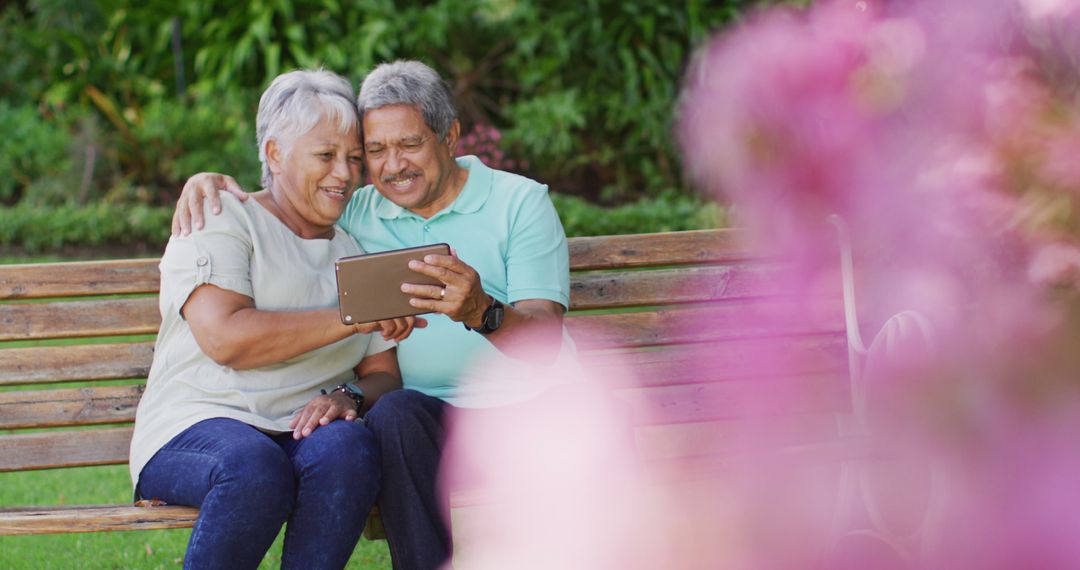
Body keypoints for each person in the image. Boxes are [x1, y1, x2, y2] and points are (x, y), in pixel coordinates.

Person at [173, 60, 576, 570]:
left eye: (409, 144)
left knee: (394, 422)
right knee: (396, 414)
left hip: (528, 411)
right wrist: (203, 182)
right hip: (426, 422)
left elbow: (544, 346)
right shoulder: (356, 212)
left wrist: (483, 311)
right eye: (376, 152)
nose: (393, 166)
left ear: (449, 136)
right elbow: (286, 193)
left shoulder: (520, 202)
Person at [132, 68, 421, 570]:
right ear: (273, 153)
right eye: (326, 155)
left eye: (354, 158)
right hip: (200, 427)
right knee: (254, 465)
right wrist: (352, 318)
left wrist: (347, 396)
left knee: (350, 448)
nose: (345, 174)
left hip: (300, 436)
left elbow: (383, 376)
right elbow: (227, 339)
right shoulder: (222, 217)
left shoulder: (351, 250)